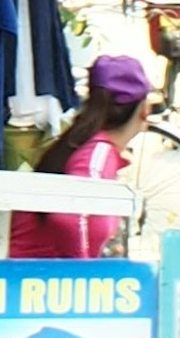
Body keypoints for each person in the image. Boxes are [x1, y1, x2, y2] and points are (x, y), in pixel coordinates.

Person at [11, 49, 152, 260]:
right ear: (144, 110)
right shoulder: (97, 153)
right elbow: (71, 216)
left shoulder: (78, 143)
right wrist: (85, 273)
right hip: (46, 280)